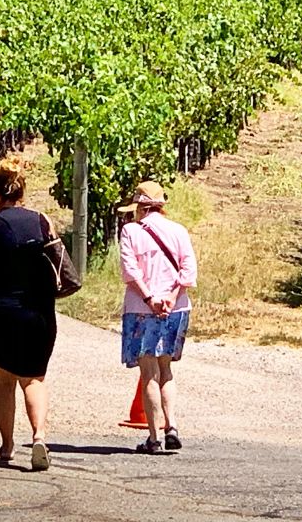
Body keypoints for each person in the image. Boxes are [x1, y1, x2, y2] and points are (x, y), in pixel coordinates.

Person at [0, 156, 57, 471]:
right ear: (22, 191)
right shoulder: (44, 220)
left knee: (4, 379)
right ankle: (39, 437)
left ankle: (7, 446)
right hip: (40, 311)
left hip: (3, 310)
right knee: (34, 379)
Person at [117, 180, 198, 453]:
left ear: (140, 207)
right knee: (166, 369)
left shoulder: (130, 231)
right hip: (177, 308)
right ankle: (171, 425)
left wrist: (151, 298)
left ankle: (154, 438)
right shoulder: (179, 230)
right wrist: (172, 297)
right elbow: (188, 270)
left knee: (147, 372)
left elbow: (130, 271)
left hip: (142, 309)